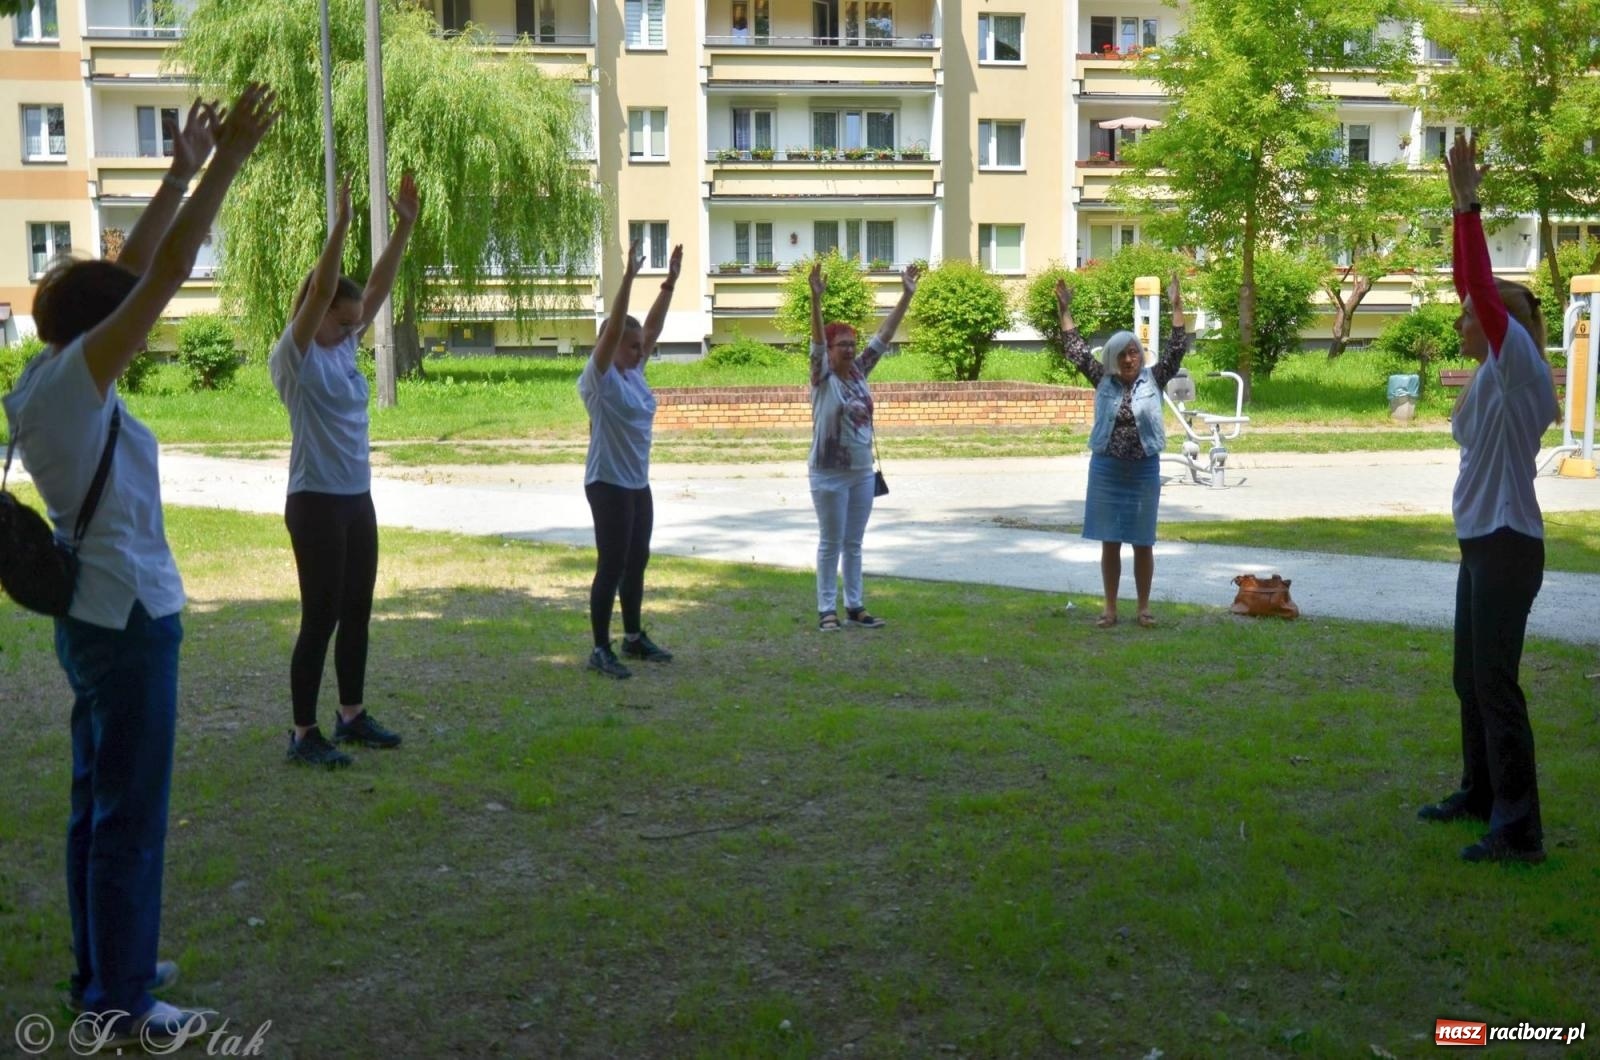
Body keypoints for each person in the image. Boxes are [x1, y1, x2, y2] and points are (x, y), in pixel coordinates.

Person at [2, 86, 276, 1047]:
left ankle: (104, 970)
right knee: (129, 813)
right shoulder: (76, 386)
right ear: (93, 329)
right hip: (127, 620)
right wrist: (229, 161)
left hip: (95, 617)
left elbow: (125, 274)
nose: (141, 323)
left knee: (95, 802)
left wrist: (180, 167)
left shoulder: (44, 378)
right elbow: (155, 278)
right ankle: (123, 1002)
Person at [1416, 134, 1559, 864]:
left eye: (1469, 316)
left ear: (1495, 326)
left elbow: (1473, 285)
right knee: (1467, 677)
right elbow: (1468, 289)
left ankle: (1520, 828)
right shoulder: (1490, 376)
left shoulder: (1517, 366)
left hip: (1507, 542)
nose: (1459, 320)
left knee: (1496, 683)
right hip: (1483, 542)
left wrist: (1467, 208)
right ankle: (1480, 794)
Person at [271, 171, 419, 767]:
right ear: (315, 311)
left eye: (355, 320)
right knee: (320, 617)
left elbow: (377, 284)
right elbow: (321, 291)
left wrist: (404, 227)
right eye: (341, 318)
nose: (352, 326)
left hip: (357, 499)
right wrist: (339, 230)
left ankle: (350, 715)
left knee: (357, 609)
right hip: (315, 503)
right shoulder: (297, 355)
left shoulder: (343, 343)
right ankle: (304, 733)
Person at [1055, 273, 1188, 628]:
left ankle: (1143, 608)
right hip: (1107, 469)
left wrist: (1176, 306)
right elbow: (1075, 349)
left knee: (1143, 542)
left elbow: (1177, 348)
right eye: (1123, 354)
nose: (1130, 359)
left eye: (1134, 353)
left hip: (1143, 468)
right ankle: (1110, 609)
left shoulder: (1153, 378)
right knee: (1110, 541)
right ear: (1113, 358)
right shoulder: (1102, 378)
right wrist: (1064, 309)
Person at [580, 237, 681, 679]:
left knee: (637, 558)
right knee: (612, 564)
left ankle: (634, 637)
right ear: (611, 342)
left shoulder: (632, 373)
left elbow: (652, 328)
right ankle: (600, 648)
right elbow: (616, 327)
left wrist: (669, 283)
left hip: (637, 484)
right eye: (632, 345)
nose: (642, 352)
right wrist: (628, 278)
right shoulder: (599, 378)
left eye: (641, 347)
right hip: (607, 483)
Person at [807, 258, 918, 631]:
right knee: (830, 543)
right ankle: (827, 610)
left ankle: (854, 606)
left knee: (853, 542)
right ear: (830, 348)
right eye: (843, 345)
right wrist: (815, 300)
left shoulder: (858, 372)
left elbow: (884, 335)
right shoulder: (821, 376)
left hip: (861, 473)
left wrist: (906, 296)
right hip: (828, 474)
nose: (851, 350)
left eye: (853, 344)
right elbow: (817, 342)